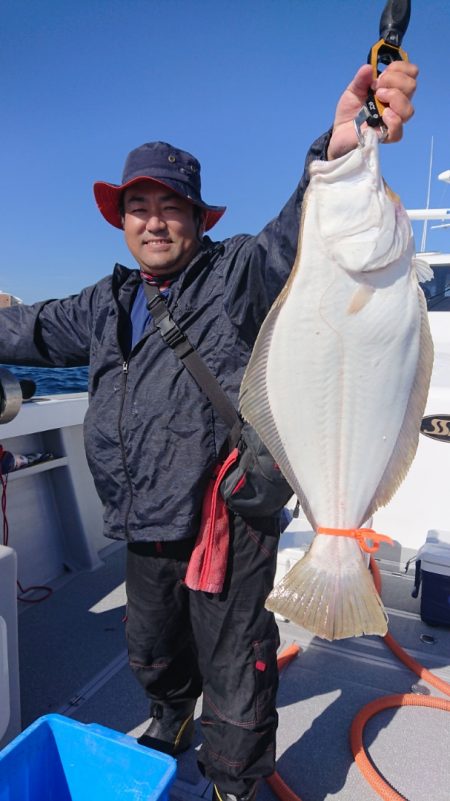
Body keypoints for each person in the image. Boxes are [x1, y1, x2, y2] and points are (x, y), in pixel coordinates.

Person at [0, 62, 417, 801]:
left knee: (236, 666)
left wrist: (340, 147)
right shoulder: (106, 301)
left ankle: (232, 781)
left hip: (226, 515)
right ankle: (169, 716)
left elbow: (296, 236)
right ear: (120, 219)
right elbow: (26, 328)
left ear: (198, 220)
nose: (153, 221)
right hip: (142, 522)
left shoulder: (237, 276)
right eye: (138, 206)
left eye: (170, 207)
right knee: (152, 650)